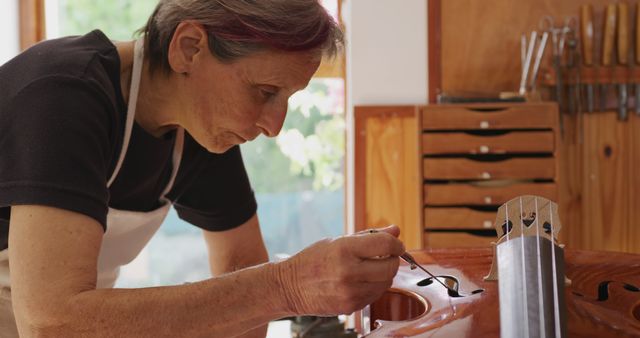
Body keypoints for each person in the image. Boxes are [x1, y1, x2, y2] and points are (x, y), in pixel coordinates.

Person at [0, 0, 405, 337]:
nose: (274, 125)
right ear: (189, 48)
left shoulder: (197, 129)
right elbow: (51, 322)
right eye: (265, 92)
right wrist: (288, 285)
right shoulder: (63, 97)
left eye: (288, 98)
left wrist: (280, 289)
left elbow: (241, 269)